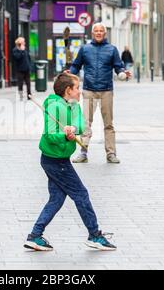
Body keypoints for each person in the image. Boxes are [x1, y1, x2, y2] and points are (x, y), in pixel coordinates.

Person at [23, 72, 117, 251]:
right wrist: (65, 136)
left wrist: (73, 128)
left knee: (57, 199)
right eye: (77, 88)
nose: (80, 91)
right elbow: (50, 136)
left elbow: (82, 125)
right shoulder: (53, 107)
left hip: (61, 159)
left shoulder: (74, 106)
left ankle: (35, 235)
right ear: (68, 90)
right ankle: (95, 235)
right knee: (81, 194)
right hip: (54, 161)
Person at [69, 22, 131, 164]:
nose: (98, 33)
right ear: (92, 33)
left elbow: (118, 67)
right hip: (88, 90)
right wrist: (69, 74)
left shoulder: (112, 49)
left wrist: (123, 73)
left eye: (101, 31)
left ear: (104, 33)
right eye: (96, 31)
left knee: (108, 124)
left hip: (106, 91)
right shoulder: (85, 49)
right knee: (85, 124)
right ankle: (83, 152)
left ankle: (111, 153)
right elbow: (76, 65)